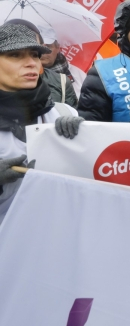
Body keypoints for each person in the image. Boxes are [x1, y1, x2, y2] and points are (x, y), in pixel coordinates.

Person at [0, 21, 82, 225]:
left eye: (35, 55)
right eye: (15, 55)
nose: (31, 63)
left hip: (54, 239)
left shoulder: (64, 113)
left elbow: (95, 176)